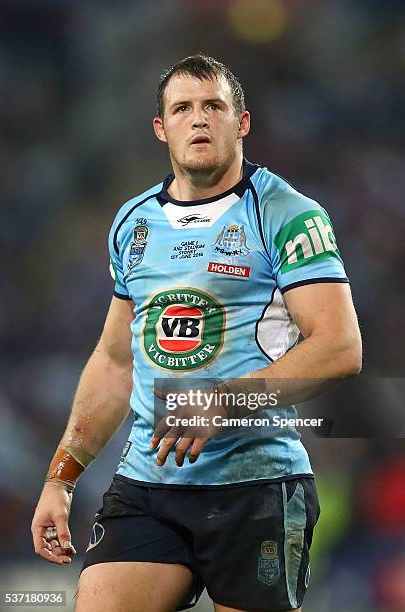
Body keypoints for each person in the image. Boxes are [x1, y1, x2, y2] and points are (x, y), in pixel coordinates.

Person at [31, 54, 362, 612]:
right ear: (161, 129)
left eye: (214, 106)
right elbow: (115, 361)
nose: (199, 119)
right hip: (148, 486)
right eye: (182, 108)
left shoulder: (287, 215)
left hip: (256, 484)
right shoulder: (132, 222)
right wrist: (61, 477)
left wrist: (223, 401)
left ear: (243, 122)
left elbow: (339, 348)